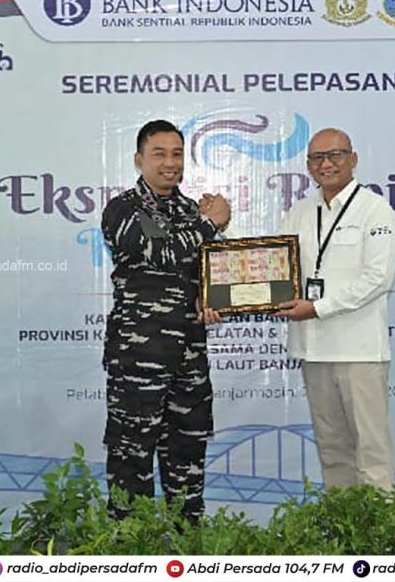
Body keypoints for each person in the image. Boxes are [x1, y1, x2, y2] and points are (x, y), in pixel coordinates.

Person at [100, 119, 229, 521]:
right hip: (140, 358)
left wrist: (211, 297)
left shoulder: (191, 210)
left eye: (177, 154)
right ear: (139, 160)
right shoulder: (124, 209)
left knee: (188, 457)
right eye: (159, 154)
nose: (170, 162)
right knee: (131, 459)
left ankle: (189, 545)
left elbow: (202, 270)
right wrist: (211, 223)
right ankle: (130, 549)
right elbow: (164, 252)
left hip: (189, 358)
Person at [276, 128, 395, 490]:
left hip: (359, 351)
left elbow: (378, 279)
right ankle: (342, 520)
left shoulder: (375, 210)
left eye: (335, 155)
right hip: (314, 350)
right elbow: (273, 261)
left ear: (353, 159)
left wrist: (318, 307)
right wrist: (224, 226)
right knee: (332, 450)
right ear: (308, 165)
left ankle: (378, 524)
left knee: (372, 450)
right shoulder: (301, 211)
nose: (326, 164)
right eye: (317, 158)